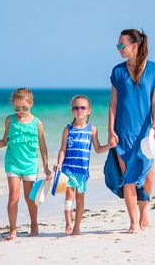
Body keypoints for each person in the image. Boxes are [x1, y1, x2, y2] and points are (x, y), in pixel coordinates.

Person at [104, 28, 155, 234]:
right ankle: (133, 222)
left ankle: (144, 210)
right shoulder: (117, 72)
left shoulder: (154, 69)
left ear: (134, 46)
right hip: (123, 132)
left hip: (146, 133)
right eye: (118, 45)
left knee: (148, 178)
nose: (118, 49)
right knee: (128, 178)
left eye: (122, 45)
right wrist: (110, 130)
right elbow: (113, 104)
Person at [0, 88, 51, 240]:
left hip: (29, 165)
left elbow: (42, 146)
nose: (20, 111)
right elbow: (4, 141)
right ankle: (13, 229)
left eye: (24, 108)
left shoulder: (37, 123)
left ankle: (34, 225)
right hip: (12, 163)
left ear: (31, 104)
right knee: (13, 196)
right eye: (16, 107)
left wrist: (46, 166)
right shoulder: (10, 120)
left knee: (30, 198)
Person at [54, 95, 115, 235]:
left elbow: (98, 149)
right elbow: (62, 149)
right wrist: (59, 163)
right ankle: (68, 223)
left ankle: (77, 227)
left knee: (80, 199)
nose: (79, 110)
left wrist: (110, 146)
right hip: (67, 168)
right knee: (69, 194)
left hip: (82, 171)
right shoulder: (68, 130)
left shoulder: (92, 130)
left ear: (88, 111)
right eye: (76, 107)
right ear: (72, 111)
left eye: (82, 107)